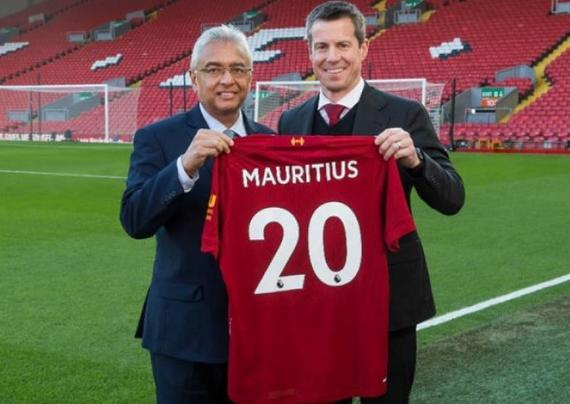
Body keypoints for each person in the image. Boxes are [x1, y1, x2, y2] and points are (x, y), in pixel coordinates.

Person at [278, 2, 465, 403]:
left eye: (343, 45)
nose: (332, 57)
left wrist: (417, 160)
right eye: (321, 46)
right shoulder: (290, 122)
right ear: (309, 52)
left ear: (363, 48)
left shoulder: (405, 114)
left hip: (388, 299)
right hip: (320, 299)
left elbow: (452, 197)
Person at [120, 25, 273, 403]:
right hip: (184, 332)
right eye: (213, 69)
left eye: (238, 69)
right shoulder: (158, 137)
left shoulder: (271, 142)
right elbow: (135, 219)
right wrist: (184, 166)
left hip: (260, 328)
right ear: (193, 77)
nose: (227, 79)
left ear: (251, 76)